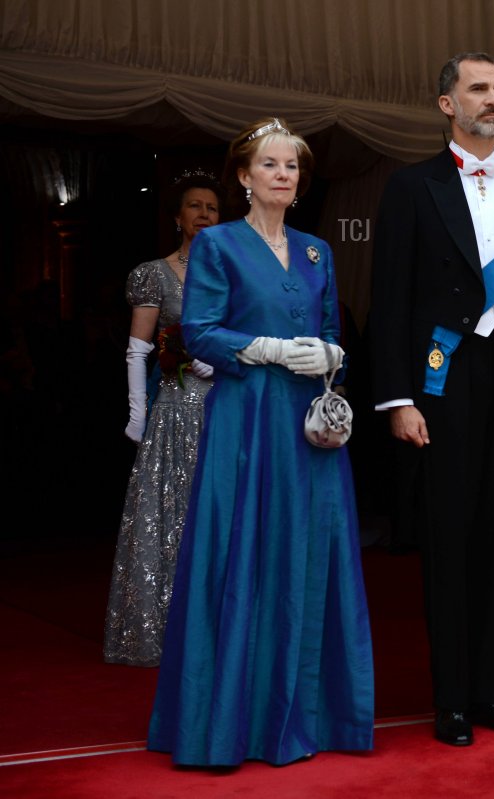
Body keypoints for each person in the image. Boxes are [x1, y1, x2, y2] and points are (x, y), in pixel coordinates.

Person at [147, 117, 374, 766]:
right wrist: (268, 348)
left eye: (293, 166)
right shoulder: (217, 245)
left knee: (307, 554)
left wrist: (327, 354)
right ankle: (231, 723)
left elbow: (336, 337)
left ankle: (311, 715)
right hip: (246, 414)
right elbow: (199, 333)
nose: (283, 174)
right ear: (244, 177)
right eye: (270, 164)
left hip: (306, 421)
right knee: (244, 552)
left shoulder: (315, 251)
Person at [370, 52, 494, 747]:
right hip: (443, 374)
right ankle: (450, 700)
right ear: (446, 103)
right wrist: (396, 397)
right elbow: (388, 297)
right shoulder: (411, 187)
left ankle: (491, 695)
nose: (492, 99)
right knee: (449, 537)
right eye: (478, 88)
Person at [103, 171, 220, 667]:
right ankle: (166, 626)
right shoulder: (154, 272)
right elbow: (138, 350)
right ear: (178, 217)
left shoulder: (232, 270)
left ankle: (219, 624)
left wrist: (225, 358)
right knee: (171, 513)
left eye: (212, 208)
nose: (204, 214)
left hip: (223, 405)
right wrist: (137, 410)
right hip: (174, 407)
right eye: (194, 206)